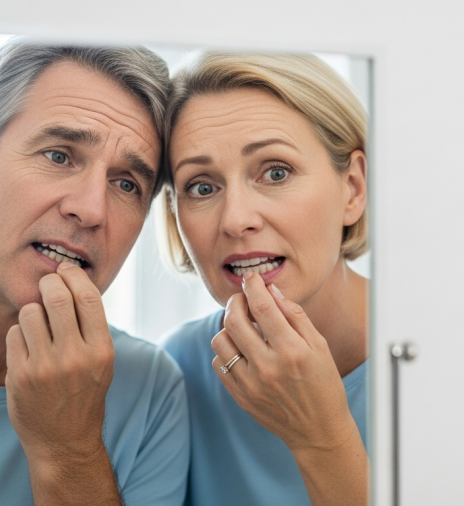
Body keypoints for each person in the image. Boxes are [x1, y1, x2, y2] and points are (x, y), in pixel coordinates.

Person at [0, 40, 188, 506]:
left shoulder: (148, 390)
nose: (91, 209)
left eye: (126, 183)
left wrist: (68, 451)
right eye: (59, 156)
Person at [159, 53, 369, 506]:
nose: (236, 220)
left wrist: (322, 440)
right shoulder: (175, 372)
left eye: (276, 172)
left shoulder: (444, 363)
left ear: (352, 188)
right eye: (201, 186)